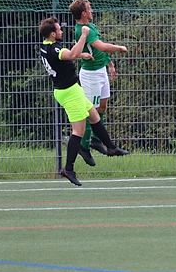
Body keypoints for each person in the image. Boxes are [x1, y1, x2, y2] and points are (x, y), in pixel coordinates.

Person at [39, 17, 129, 186]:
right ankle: (68, 169)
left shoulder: (46, 46)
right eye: (59, 30)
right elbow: (70, 54)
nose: (61, 31)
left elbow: (67, 56)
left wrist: (81, 54)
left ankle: (111, 147)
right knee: (78, 132)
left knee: (94, 116)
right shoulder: (54, 49)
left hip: (73, 89)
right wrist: (84, 35)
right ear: (52, 34)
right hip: (69, 93)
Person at [68, 0, 128, 166]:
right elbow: (101, 46)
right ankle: (84, 145)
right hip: (91, 75)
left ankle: (96, 140)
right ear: (83, 13)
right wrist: (119, 48)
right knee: (90, 111)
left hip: (100, 71)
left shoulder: (91, 27)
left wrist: (109, 64)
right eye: (89, 9)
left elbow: (99, 52)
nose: (92, 11)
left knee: (102, 107)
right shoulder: (82, 30)